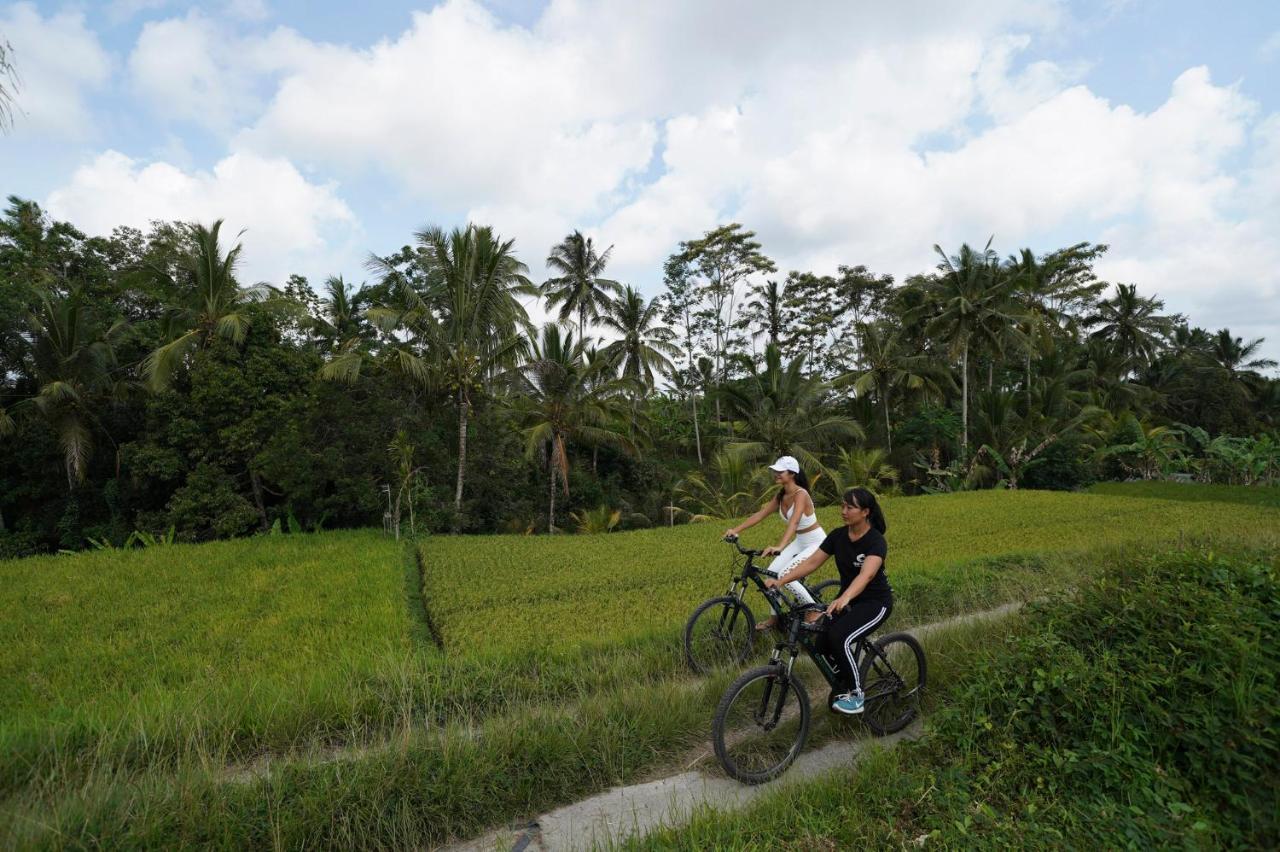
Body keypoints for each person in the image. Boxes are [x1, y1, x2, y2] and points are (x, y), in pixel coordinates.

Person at [763, 486, 892, 715]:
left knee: (839, 637)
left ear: (865, 512)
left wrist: (845, 597)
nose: (843, 510)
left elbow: (867, 575)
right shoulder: (838, 536)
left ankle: (856, 695)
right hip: (848, 600)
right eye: (842, 505)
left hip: (875, 603)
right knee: (821, 641)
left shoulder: (875, 541)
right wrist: (780, 581)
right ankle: (844, 681)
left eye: (849, 507)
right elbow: (812, 563)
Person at [724, 455, 826, 631]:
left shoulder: (801, 494)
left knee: (787, 575)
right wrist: (736, 529)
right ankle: (775, 618)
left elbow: (794, 522)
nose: (776, 474)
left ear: (792, 473)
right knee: (772, 575)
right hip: (800, 541)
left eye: (781, 471)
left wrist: (779, 546)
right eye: (775, 471)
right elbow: (760, 515)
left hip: (815, 541)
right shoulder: (781, 496)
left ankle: (814, 610)